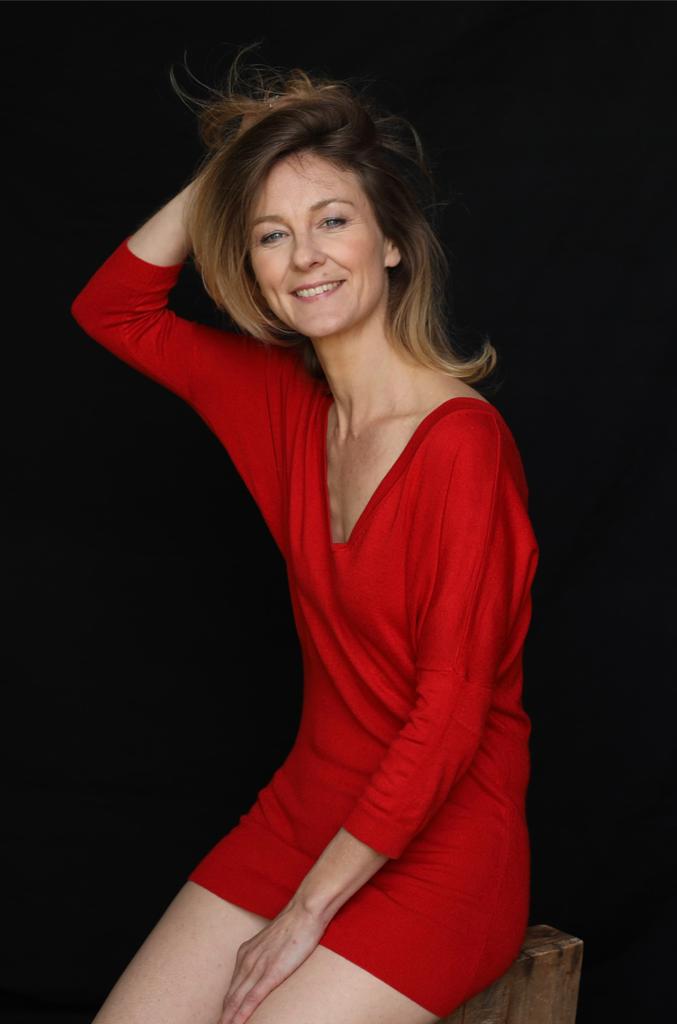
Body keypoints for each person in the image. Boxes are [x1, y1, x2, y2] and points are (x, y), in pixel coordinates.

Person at [70, 52, 540, 1024]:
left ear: (391, 242)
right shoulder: (279, 401)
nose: (305, 257)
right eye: (270, 235)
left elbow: (449, 715)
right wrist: (239, 160)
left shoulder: (462, 446)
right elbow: (110, 308)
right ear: (250, 268)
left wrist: (306, 914)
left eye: (332, 220)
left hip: (441, 855)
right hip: (302, 815)